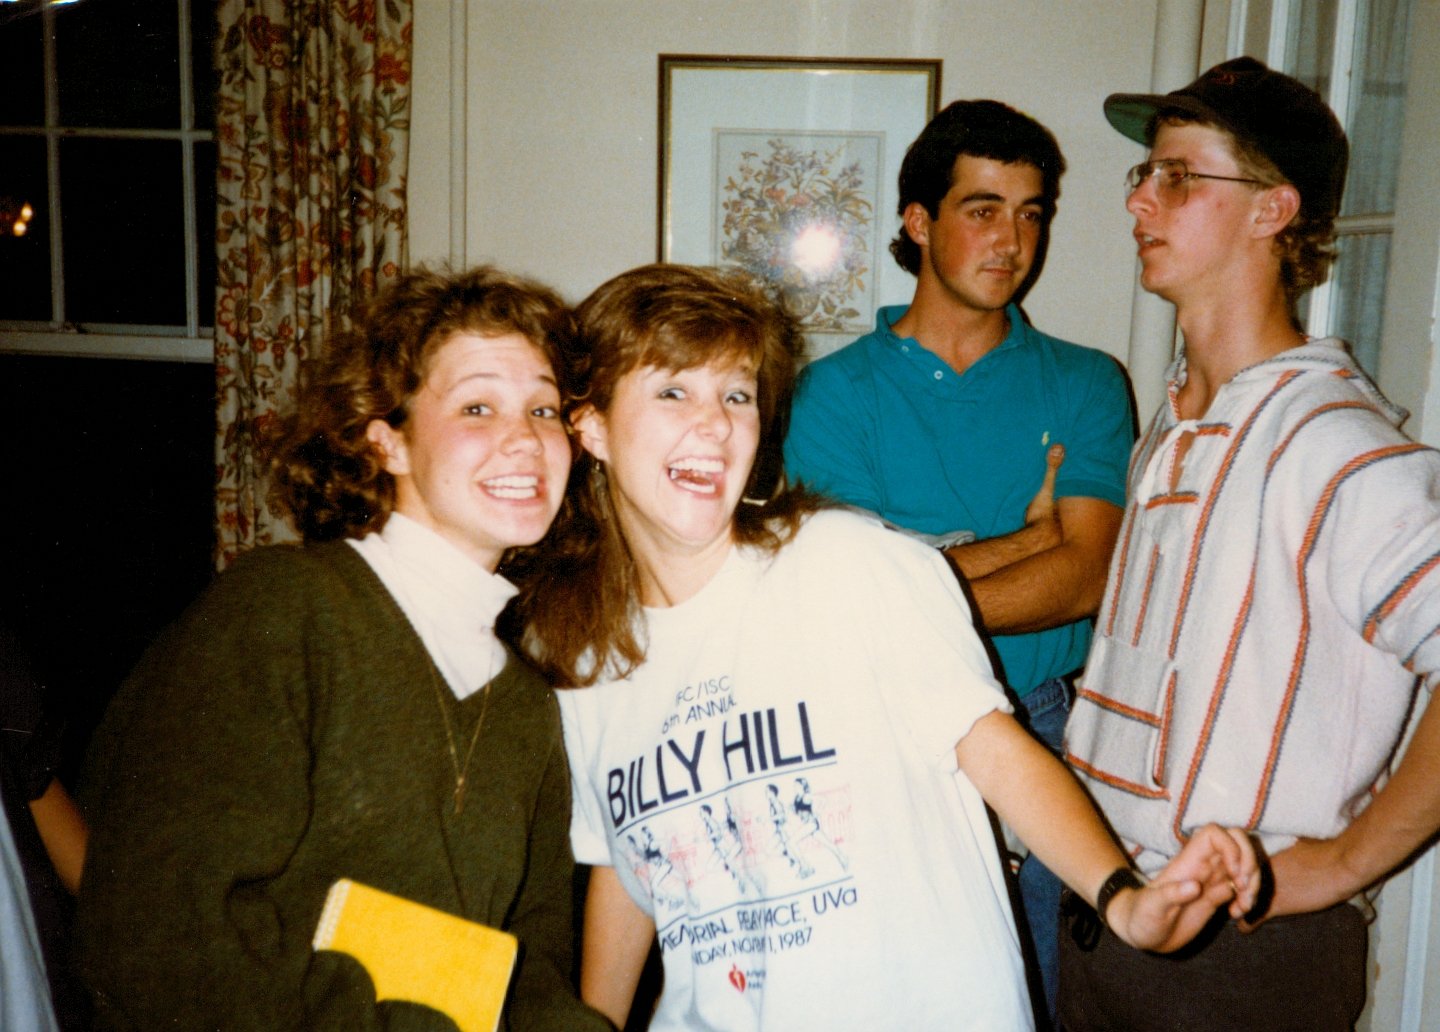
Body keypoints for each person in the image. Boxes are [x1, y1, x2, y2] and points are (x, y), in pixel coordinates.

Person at [507, 263, 1257, 1031]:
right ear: (589, 425)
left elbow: (995, 752)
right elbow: (628, 870)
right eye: (674, 391)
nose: (716, 424)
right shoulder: (580, 658)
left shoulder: (845, 560)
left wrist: (1124, 900)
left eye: (736, 394)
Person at [73, 266, 610, 1032]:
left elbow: (523, 981)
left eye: (544, 408)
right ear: (386, 440)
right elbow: (157, 942)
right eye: (478, 406)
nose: (524, 439)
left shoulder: (530, 710)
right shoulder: (283, 614)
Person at [1059, 58, 1440, 1031]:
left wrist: (1347, 863)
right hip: (1110, 920)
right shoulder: (1183, 419)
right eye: (1143, 175)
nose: (1142, 197)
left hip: (1239, 963)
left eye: (1179, 176)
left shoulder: (1338, 448)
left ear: (1274, 210)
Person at [782, 98, 1134, 1019]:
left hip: (1044, 726)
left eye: (1031, 213)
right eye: (983, 209)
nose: (1012, 240)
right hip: (880, 729)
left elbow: (1086, 574)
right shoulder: (832, 392)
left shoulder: (1089, 380)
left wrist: (918, 566)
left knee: (1026, 997)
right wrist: (1023, 542)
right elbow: (840, 601)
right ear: (918, 221)